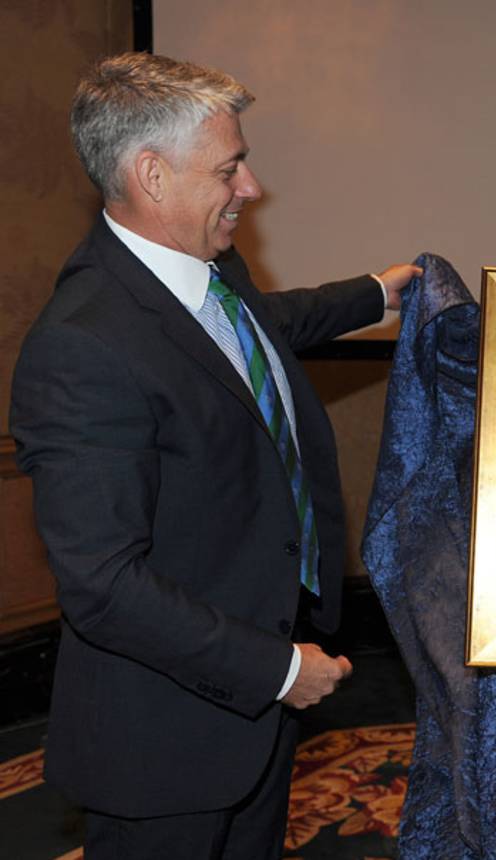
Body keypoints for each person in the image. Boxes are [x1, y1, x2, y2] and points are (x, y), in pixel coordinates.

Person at [8, 53, 422, 858]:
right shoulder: (82, 346)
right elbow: (102, 585)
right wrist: (274, 670)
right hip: (164, 746)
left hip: (249, 712)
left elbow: (261, 328)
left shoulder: (206, 271)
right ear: (153, 176)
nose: (251, 188)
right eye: (230, 167)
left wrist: (375, 292)